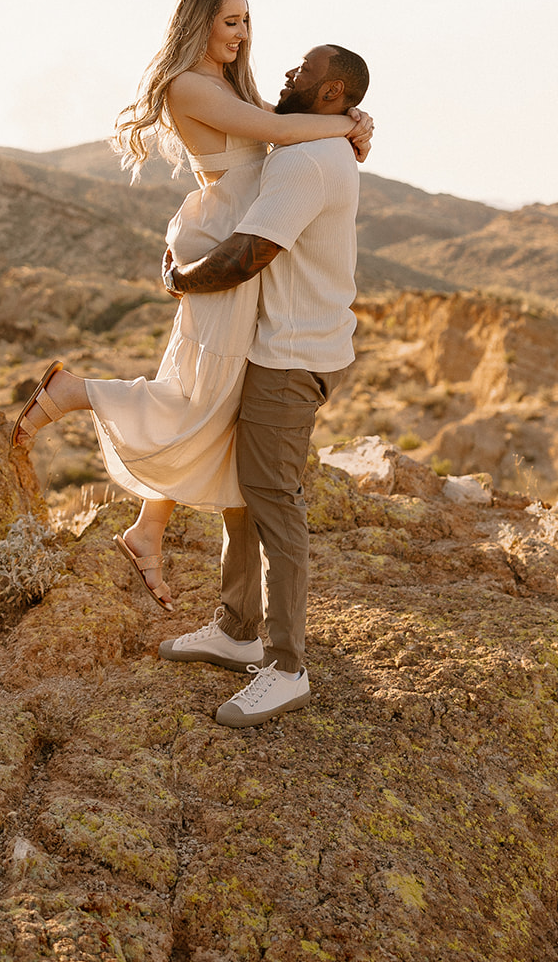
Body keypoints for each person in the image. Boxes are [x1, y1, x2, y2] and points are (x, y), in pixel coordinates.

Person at [8, 0, 372, 611]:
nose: (241, 33)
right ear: (199, 21)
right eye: (229, 21)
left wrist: (353, 123)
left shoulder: (231, 85)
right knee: (199, 393)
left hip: (241, 234)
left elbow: (287, 129)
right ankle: (75, 393)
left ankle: (147, 531)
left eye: (246, 21)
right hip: (225, 241)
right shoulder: (189, 87)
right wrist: (349, 122)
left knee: (218, 397)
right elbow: (284, 134)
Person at [157, 41, 369, 727]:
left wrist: (178, 280)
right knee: (244, 491)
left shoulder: (307, 161)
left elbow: (249, 254)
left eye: (303, 72)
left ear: (332, 93)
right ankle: (236, 627)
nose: (286, 74)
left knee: (272, 498)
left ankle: (285, 666)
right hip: (282, 343)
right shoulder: (315, 146)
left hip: (291, 355)